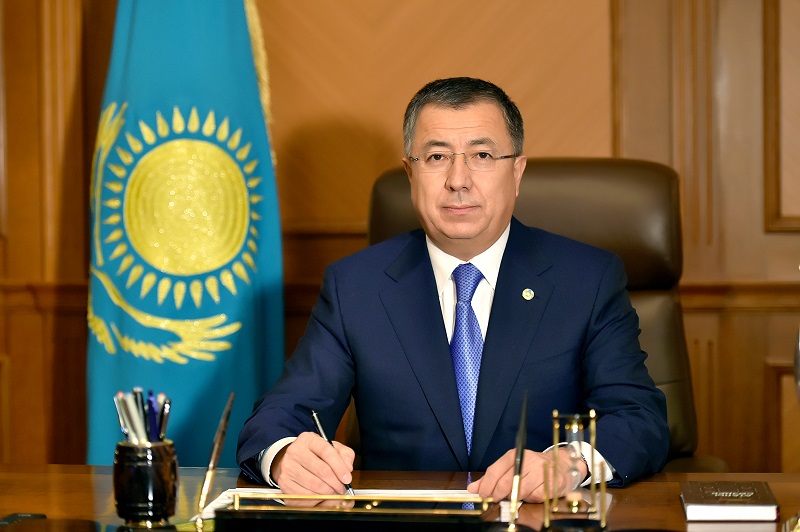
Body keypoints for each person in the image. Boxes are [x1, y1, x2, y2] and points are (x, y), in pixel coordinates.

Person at [237, 77, 670, 502]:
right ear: (410, 173)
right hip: (405, 522)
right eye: (437, 157)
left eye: (482, 155)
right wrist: (285, 455)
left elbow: (639, 417)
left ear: (516, 172)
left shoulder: (586, 279)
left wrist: (570, 463)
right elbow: (280, 416)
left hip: (537, 519)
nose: (458, 180)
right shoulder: (356, 286)